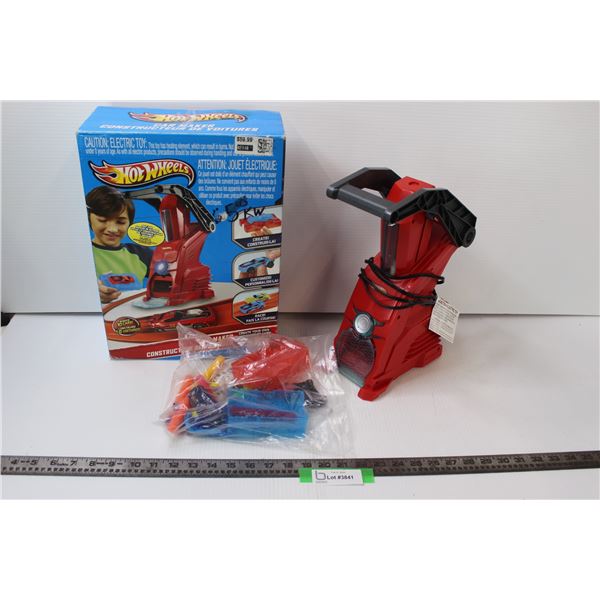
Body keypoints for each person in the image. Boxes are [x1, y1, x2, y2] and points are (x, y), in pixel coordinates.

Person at [86, 186, 152, 303]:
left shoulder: (142, 254)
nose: (112, 229)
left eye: (120, 222)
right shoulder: (80, 255)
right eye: (102, 220)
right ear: (88, 218)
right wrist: (90, 290)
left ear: (129, 222)